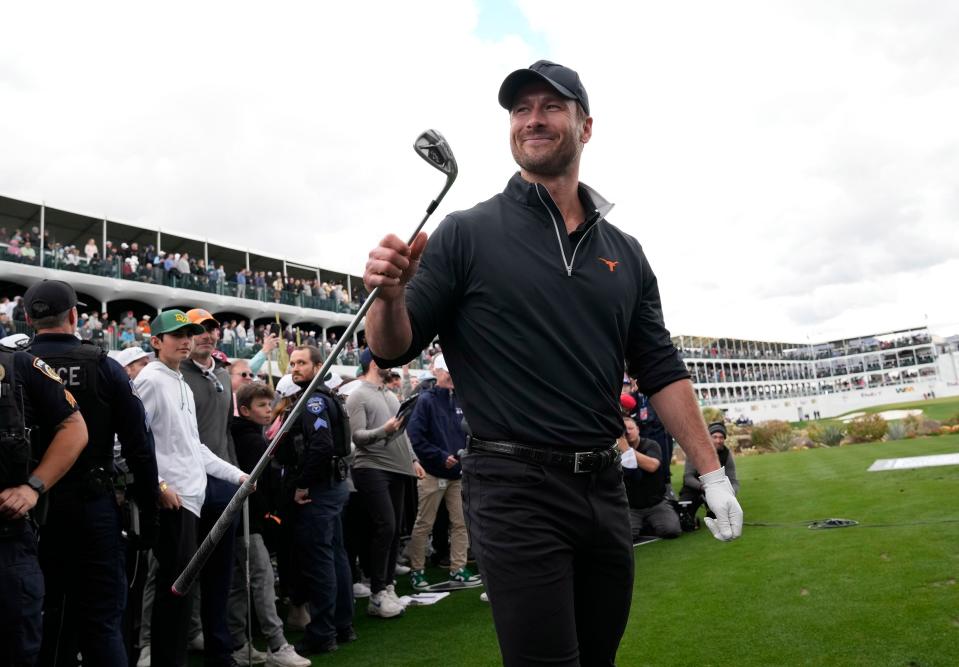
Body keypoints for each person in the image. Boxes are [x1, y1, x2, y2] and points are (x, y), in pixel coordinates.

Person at [362, 59, 743, 665]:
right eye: (520, 110)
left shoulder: (625, 252)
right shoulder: (467, 232)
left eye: (550, 107)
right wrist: (388, 295)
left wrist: (711, 473)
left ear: (585, 126)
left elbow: (660, 367)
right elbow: (393, 346)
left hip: (602, 486)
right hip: (514, 486)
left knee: (599, 656)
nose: (532, 120)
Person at [24, 279, 159, 666]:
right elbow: (140, 447)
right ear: (73, 315)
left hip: (32, 510)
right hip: (91, 508)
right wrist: (148, 515)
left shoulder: (15, 364)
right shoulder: (103, 365)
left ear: (30, 318)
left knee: (44, 621)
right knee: (101, 624)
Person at [134, 310, 249, 667]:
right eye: (176, 335)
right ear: (156, 342)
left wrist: (238, 476)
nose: (185, 340)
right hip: (174, 500)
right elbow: (131, 442)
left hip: (192, 498)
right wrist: (159, 485)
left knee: (182, 595)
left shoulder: (180, 381)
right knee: (174, 592)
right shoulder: (151, 380)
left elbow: (194, 447)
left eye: (189, 333)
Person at [0, 338, 88, 665]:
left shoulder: (17, 364)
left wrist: (33, 487)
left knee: (17, 646)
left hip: (8, 537)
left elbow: (74, 427)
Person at [227, 383, 310, 667]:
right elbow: (256, 484)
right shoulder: (251, 440)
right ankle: (276, 644)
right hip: (249, 521)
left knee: (240, 584)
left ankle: (240, 644)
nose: (268, 410)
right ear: (246, 409)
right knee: (261, 582)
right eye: (262, 406)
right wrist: (269, 514)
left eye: (269, 404)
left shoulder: (246, 434)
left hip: (244, 520)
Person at [282, 345, 356, 657]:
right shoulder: (323, 396)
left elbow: (321, 446)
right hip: (333, 484)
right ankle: (342, 624)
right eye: (293, 363)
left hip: (321, 487)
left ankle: (323, 632)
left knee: (320, 559)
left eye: (302, 363)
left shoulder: (312, 400)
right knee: (335, 555)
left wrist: (303, 484)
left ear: (318, 366)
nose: (295, 368)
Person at [180, 308, 242, 667]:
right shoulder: (176, 377)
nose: (206, 334)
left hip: (222, 486)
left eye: (211, 328)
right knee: (181, 573)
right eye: (197, 329)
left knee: (221, 575)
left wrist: (235, 477)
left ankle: (220, 650)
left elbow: (225, 433)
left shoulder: (223, 376)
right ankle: (173, 647)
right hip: (187, 489)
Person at [346, 349, 425, 619]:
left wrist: (413, 459)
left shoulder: (390, 395)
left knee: (393, 529)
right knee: (386, 526)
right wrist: (385, 431)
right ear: (372, 363)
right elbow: (357, 436)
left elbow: (402, 433)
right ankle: (377, 592)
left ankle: (386, 587)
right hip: (371, 467)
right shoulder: (357, 395)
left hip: (398, 467)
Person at [405, 353, 480, 589]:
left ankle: (458, 568)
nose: (450, 375)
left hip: (457, 472)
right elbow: (415, 437)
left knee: (460, 523)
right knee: (424, 524)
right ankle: (417, 570)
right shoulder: (425, 400)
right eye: (446, 370)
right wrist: (439, 456)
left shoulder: (460, 399)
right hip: (432, 472)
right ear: (436, 372)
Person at [619, 416, 681, 540]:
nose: (628, 432)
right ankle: (645, 525)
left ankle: (648, 524)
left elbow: (652, 466)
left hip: (656, 504)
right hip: (632, 507)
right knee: (624, 537)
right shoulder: (616, 452)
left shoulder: (651, 445)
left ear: (638, 429)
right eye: (624, 430)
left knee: (671, 530)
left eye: (631, 428)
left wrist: (627, 450)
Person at [680, 422, 740, 520]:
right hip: (694, 488)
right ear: (708, 438)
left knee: (724, 517)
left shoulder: (726, 454)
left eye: (721, 437)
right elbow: (688, 478)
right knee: (684, 518)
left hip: (716, 489)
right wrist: (703, 487)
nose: (718, 440)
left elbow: (733, 480)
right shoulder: (695, 451)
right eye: (714, 437)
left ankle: (713, 512)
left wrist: (731, 492)